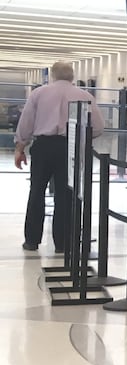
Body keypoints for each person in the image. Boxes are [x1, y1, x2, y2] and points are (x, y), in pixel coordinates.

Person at [14, 61, 105, 253]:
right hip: (70, 147)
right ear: (72, 76)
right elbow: (97, 127)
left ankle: (31, 240)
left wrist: (20, 147)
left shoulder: (38, 94)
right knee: (66, 195)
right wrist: (81, 137)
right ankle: (63, 243)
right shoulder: (84, 95)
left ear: (53, 75)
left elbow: (26, 122)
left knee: (36, 191)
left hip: (43, 146)